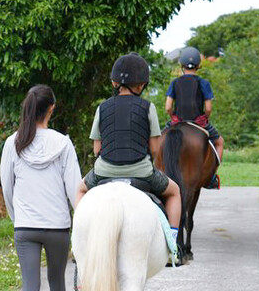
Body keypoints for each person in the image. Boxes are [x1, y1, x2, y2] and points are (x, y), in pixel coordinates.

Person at [0, 84, 82, 291]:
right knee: (57, 281)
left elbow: (7, 189)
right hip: (58, 226)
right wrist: (80, 222)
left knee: (30, 286)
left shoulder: (13, 143)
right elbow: (74, 190)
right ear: (51, 109)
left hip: (26, 226)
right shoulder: (63, 143)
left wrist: (18, 220)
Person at [75, 52, 182, 243]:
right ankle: (172, 243)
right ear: (141, 85)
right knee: (174, 191)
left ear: (114, 83)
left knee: (80, 190)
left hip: (104, 170)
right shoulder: (148, 107)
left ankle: (79, 239)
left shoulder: (102, 107)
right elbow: (155, 148)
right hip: (141, 171)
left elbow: (96, 149)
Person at [164, 46, 224, 189]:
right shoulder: (204, 83)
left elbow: (168, 107)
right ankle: (211, 177)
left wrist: (174, 117)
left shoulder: (175, 82)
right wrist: (204, 118)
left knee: (157, 141)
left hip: (178, 121)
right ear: (199, 65)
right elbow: (208, 108)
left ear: (182, 65)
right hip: (199, 123)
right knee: (220, 142)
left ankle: (156, 172)